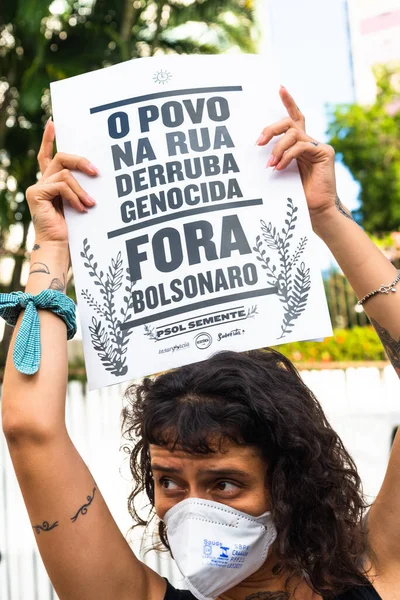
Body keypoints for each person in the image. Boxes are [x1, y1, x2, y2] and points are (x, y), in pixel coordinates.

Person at [1, 86, 400, 600]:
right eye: (169, 482)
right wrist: (53, 247)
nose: (193, 510)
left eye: (224, 484)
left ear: (290, 486)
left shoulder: (376, 574)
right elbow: (29, 428)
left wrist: (325, 215)